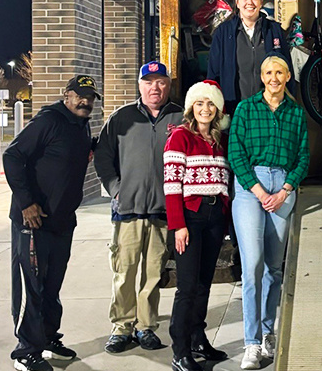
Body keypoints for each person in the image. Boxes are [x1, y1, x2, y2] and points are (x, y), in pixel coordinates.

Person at [3, 75, 99, 371]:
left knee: (52, 285)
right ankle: (25, 351)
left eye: (91, 97)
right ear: (66, 95)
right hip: (33, 220)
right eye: (80, 96)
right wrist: (26, 202)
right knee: (32, 286)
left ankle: (46, 338)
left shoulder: (81, 125)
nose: (86, 102)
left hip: (61, 220)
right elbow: (12, 156)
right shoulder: (48, 121)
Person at [94, 61, 184, 354]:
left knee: (153, 274)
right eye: (149, 82)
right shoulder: (122, 118)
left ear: (168, 85)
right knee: (125, 272)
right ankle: (122, 327)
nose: (154, 88)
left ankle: (146, 327)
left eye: (160, 82)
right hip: (127, 209)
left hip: (162, 209)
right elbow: (103, 157)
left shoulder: (180, 117)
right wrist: (116, 189)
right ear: (139, 85)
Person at [228, 54, 309, 370]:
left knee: (275, 267)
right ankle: (251, 343)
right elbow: (236, 153)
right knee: (254, 266)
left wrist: (285, 190)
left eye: (279, 72)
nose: (274, 77)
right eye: (268, 72)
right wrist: (260, 191)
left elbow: (303, 156)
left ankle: (267, 333)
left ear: (288, 76)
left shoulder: (296, 114)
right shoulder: (246, 109)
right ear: (261, 77)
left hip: (283, 187)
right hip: (251, 188)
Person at [164, 80, 232, 371]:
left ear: (217, 109)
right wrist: (178, 225)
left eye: (211, 104)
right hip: (190, 218)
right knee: (188, 286)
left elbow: (222, 181)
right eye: (200, 103)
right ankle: (180, 350)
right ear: (192, 106)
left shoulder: (217, 139)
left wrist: (226, 217)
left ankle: (197, 337)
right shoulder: (180, 136)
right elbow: (171, 184)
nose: (205, 109)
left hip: (215, 218)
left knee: (205, 283)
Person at [207, 0, 294, 113]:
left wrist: (288, 106)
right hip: (234, 109)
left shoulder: (274, 30)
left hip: (269, 110)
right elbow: (213, 75)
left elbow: (287, 70)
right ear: (237, 3)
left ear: (260, 2)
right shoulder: (224, 32)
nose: (250, 2)